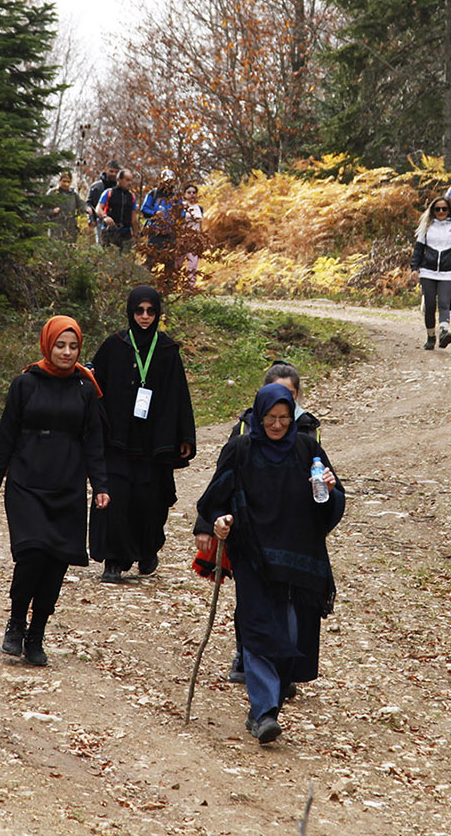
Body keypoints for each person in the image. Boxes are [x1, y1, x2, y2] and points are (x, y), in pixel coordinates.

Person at [195, 381, 345, 745]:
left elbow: (330, 503)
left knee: (291, 636)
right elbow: (215, 497)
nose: (277, 425)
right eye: (269, 418)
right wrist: (219, 521)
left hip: (299, 560)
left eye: (283, 418)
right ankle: (263, 712)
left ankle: (268, 709)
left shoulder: (308, 448)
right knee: (260, 629)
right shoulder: (241, 450)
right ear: (258, 417)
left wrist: (329, 489)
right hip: (254, 555)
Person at [0, 316, 110, 667]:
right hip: (26, 483)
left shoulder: (86, 389)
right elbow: (6, 435)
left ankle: (37, 634)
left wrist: (100, 485)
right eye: (60, 345)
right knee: (32, 554)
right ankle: (16, 623)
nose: (67, 353)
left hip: (67, 485)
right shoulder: (25, 384)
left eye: (73, 347)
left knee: (56, 562)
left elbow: (93, 441)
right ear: (47, 345)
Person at [89, 285, 196, 581]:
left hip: (154, 440)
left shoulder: (167, 349)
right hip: (119, 437)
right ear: (130, 312)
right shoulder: (115, 346)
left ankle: (147, 550)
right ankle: (114, 560)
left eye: (151, 311)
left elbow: (179, 394)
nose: (145, 317)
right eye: (139, 311)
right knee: (115, 496)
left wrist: (185, 435)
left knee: (151, 498)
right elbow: (94, 386)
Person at [223, 362, 319, 686]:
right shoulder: (243, 434)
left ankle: (283, 668)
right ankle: (250, 664)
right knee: (252, 604)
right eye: (274, 406)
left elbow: (321, 483)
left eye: (290, 399)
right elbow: (222, 483)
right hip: (252, 535)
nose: (280, 417)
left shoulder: (308, 432)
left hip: (291, 536)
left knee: (289, 609)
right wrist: (212, 524)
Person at [411, 196, 451, 350]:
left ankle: (443, 332)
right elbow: (418, 251)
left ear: (449, 210)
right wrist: (414, 268)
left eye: (444, 209)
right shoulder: (426, 228)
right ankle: (430, 336)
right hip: (427, 271)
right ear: (432, 211)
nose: (441, 212)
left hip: (447, 272)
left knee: (444, 303)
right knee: (429, 305)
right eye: (437, 209)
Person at [139, 170, 180, 269]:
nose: (168, 184)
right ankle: (146, 281)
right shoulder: (154, 193)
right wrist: (155, 213)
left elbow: (182, 213)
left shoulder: (176, 196)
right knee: (150, 261)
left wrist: (176, 215)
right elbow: (144, 209)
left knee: (170, 263)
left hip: (170, 234)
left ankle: (168, 284)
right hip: (155, 233)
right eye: (166, 181)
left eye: (170, 182)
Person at [94, 168, 136, 250]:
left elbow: (133, 218)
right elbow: (98, 208)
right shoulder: (108, 193)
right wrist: (105, 217)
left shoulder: (132, 196)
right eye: (127, 180)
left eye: (131, 180)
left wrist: (135, 234)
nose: (129, 183)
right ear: (119, 180)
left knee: (126, 259)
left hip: (126, 233)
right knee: (109, 259)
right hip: (109, 231)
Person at [85, 160, 120, 246]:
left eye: (116, 172)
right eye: (111, 171)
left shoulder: (120, 188)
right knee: (101, 246)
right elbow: (88, 204)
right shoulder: (96, 187)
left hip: (116, 223)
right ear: (106, 170)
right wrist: (91, 219)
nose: (113, 174)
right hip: (100, 221)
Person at [45, 170, 85, 242]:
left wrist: (88, 209)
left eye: (68, 182)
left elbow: (82, 205)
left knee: (70, 249)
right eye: (64, 181)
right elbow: (43, 210)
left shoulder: (73, 194)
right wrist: (52, 211)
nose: (66, 184)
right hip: (56, 229)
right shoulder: (52, 193)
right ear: (59, 181)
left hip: (70, 229)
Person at [180, 182, 206, 288]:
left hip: (194, 240)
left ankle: (190, 288)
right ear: (184, 194)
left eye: (194, 192)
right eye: (189, 192)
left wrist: (201, 239)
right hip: (182, 238)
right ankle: (172, 287)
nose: (191, 194)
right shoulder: (180, 206)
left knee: (193, 265)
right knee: (177, 264)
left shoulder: (199, 208)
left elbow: (200, 225)